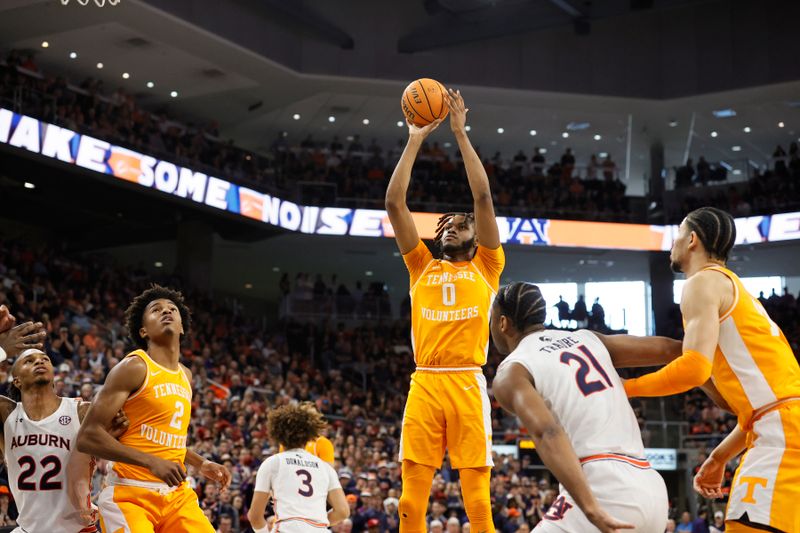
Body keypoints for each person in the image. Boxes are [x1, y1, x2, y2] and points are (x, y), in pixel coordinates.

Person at [623, 207, 800, 533]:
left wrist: (624, 389)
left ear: (691, 239)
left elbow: (693, 369)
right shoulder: (732, 287)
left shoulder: (701, 282)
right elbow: (761, 409)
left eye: (677, 234)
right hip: (780, 425)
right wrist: (719, 457)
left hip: (782, 434)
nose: (672, 244)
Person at [385, 88, 504, 533]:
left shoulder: (488, 265)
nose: (452, 228)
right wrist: (415, 138)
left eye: (461, 224)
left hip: (468, 382)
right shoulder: (420, 264)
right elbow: (396, 204)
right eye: (446, 225)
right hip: (426, 382)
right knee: (411, 501)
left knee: (477, 502)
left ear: (475, 236)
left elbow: (484, 198)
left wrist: (459, 132)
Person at [491, 282, 673, 532]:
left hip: (604, 488)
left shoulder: (512, 370)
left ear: (502, 323)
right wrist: (712, 380)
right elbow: (671, 350)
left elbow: (548, 433)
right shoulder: (587, 338)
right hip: (652, 489)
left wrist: (590, 508)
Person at [77, 285, 231, 533]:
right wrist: (151, 462)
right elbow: (87, 437)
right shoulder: (134, 367)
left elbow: (163, 438)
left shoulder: (186, 376)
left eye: (172, 309)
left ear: (181, 327)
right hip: (129, 493)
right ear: (143, 330)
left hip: (177, 497)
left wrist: (200, 463)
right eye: (156, 309)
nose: (166, 311)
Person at [0, 345, 129, 533]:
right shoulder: (6, 414)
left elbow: (121, 430)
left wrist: (117, 431)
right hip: (28, 529)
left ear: (53, 374)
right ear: (17, 381)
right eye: (29, 361)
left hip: (77, 529)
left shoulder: (81, 411)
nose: (39, 361)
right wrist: (3, 346)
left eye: (45, 359)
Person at [247, 403, 348, 533]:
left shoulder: (272, 463)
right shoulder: (325, 467)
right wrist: (314, 525)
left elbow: (254, 516)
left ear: (276, 433)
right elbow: (343, 511)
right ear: (310, 434)